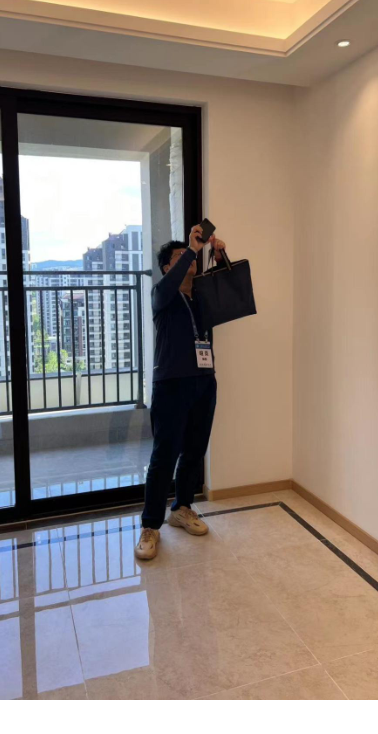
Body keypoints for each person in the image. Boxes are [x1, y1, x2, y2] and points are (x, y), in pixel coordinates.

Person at [135, 224, 226, 560]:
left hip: (204, 381)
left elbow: (227, 292)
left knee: (194, 451)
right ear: (166, 267)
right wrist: (191, 248)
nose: (191, 260)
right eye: (181, 257)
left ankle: (182, 507)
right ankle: (150, 526)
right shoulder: (162, 295)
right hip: (171, 384)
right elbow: (168, 284)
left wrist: (219, 257)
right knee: (164, 456)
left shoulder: (199, 297)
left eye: (191, 257)